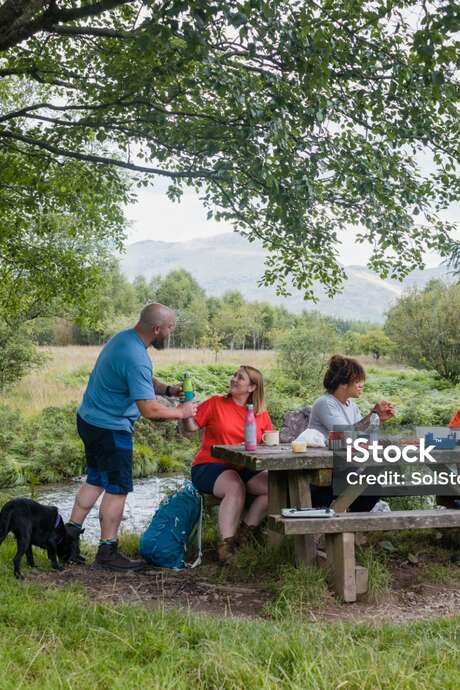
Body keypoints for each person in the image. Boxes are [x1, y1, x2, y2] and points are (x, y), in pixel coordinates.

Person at [66, 303, 198, 571]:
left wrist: (169, 389)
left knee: (95, 480)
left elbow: (144, 380)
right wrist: (181, 411)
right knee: (117, 488)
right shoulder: (136, 356)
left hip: (89, 420)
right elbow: (149, 409)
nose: (171, 332)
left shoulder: (124, 339)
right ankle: (107, 554)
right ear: (157, 328)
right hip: (110, 429)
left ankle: (67, 540)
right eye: (170, 327)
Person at [183, 366, 273, 563]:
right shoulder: (216, 403)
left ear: (252, 387)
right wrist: (185, 411)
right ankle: (226, 548)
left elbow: (268, 441)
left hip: (243, 468)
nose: (233, 379)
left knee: (275, 487)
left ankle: (245, 534)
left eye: (239, 378)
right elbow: (190, 428)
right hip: (209, 466)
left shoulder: (260, 414)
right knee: (235, 487)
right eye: (234, 375)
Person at [308, 354, 395, 510]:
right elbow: (344, 434)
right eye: (357, 381)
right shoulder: (325, 403)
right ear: (343, 383)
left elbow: (361, 437)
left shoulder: (352, 406)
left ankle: (347, 525)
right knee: (370, 486)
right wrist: (372, 414)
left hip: (343, 468)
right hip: (322, 474)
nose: (360, 385)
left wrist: (378, 419)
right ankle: (343, 524)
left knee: (373, 485)